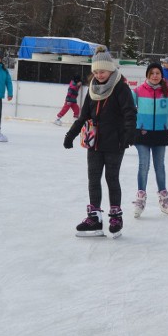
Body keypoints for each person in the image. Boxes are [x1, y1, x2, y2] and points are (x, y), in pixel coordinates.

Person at [64, 47, 137, 238]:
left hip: (115, 142)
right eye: (95, 72)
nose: (99, 75)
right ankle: (94, 217)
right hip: (94, 142)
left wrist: (129, 133)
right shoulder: (93, 89)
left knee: (112, 178)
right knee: (93, 179)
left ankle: (115, 216)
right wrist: (70, 134)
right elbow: (83, 115)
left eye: (102, 71)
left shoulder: (121, 87)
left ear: (111, 70)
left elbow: (130, 112)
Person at [131, 62, 168, 218]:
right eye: (152, 73)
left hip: (160, 134)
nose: (155, 76)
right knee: (144, 165)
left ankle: (164, 200)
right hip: (142, 133)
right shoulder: (138, 90)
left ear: (161, 75)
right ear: (147, 75)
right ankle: (140, 199)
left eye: (157, 73)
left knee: (159, 166)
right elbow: (126, 103)